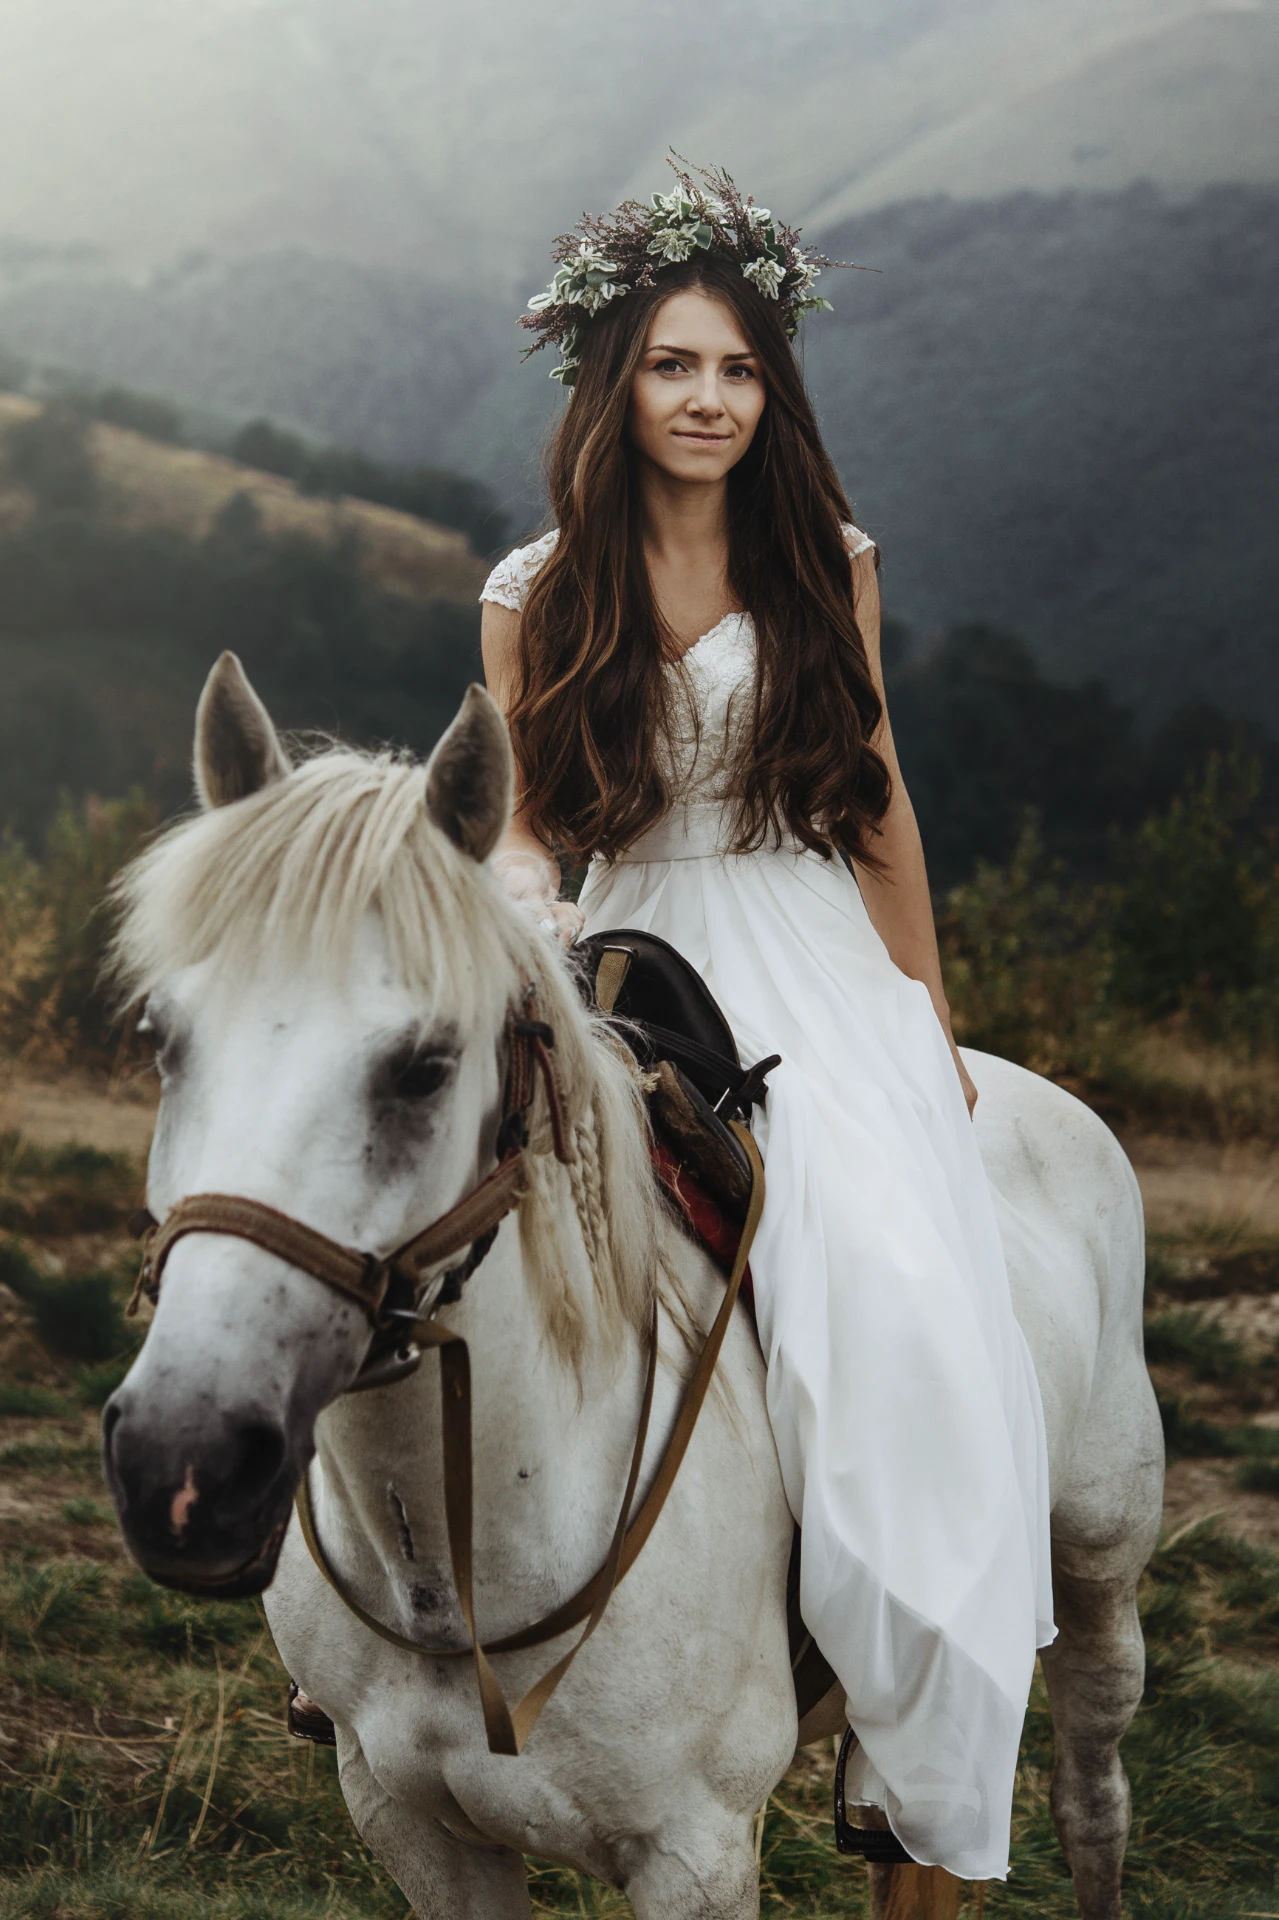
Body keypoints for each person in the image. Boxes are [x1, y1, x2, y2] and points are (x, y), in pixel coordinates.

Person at [480, 165, 1054, 1883]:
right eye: (672, 366)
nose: (707, 399)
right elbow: (520, 814)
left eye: (734, 369)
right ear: (615, 385)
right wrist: (522, 898)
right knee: (462, 1245)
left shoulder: (827, 565)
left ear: (769, 389)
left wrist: (923, 1013)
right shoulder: (535, 587)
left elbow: (875, 801)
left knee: (886, 1287)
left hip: (799, 944)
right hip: (628, 948)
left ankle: (887, 1706)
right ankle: (392, 1645)